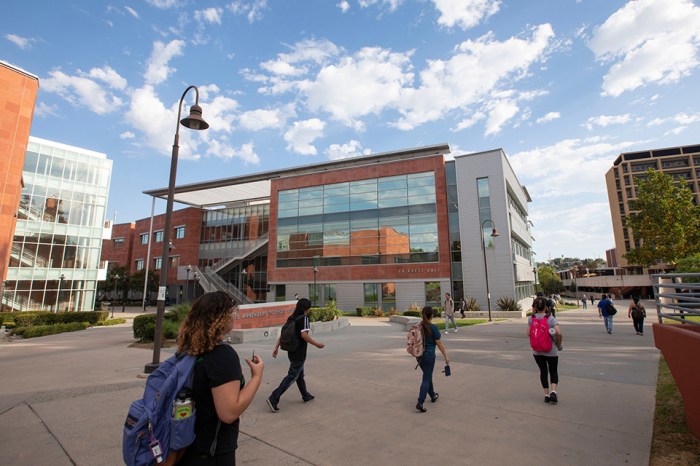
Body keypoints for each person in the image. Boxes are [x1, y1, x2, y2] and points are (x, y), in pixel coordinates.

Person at [177, 291, 264, 465]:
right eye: (232, 312)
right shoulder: (221, 355)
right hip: (212, 452)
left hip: (185, 447)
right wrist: (257, 377)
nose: (234, 316)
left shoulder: (188, 351)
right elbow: (229, 413)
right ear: (221, 318)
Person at [267, 298, 324, 412]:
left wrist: (276, 347)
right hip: (299, 352)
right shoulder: (304, 318)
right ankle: (273, 398)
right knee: (292, 376)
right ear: (307, 308)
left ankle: (306, 396)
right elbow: (304, 335)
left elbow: (283, 333)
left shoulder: (291, 318)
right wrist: (317, 344)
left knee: (299, 375)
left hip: (291, 351)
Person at [528, 296, 562, 404]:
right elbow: (559, 333)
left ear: (535, 307)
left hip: (537, 350)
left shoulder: (531, 319)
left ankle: (546, 395)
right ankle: (553, 391)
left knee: (543, 371)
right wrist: (558, 344)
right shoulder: (550, 319)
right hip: (551, 350)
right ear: (546, 307)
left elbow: (528, 333)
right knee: (553, 371)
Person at [416, 306, 449, 413]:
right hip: (429, 356)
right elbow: (439, 343)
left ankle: (432, 395)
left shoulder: (418, 326)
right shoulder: (433, 328)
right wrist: (446, 356)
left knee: (427, 375)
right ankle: (420, 402)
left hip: (419, 356)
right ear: (432, 316)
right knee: (426, 378)